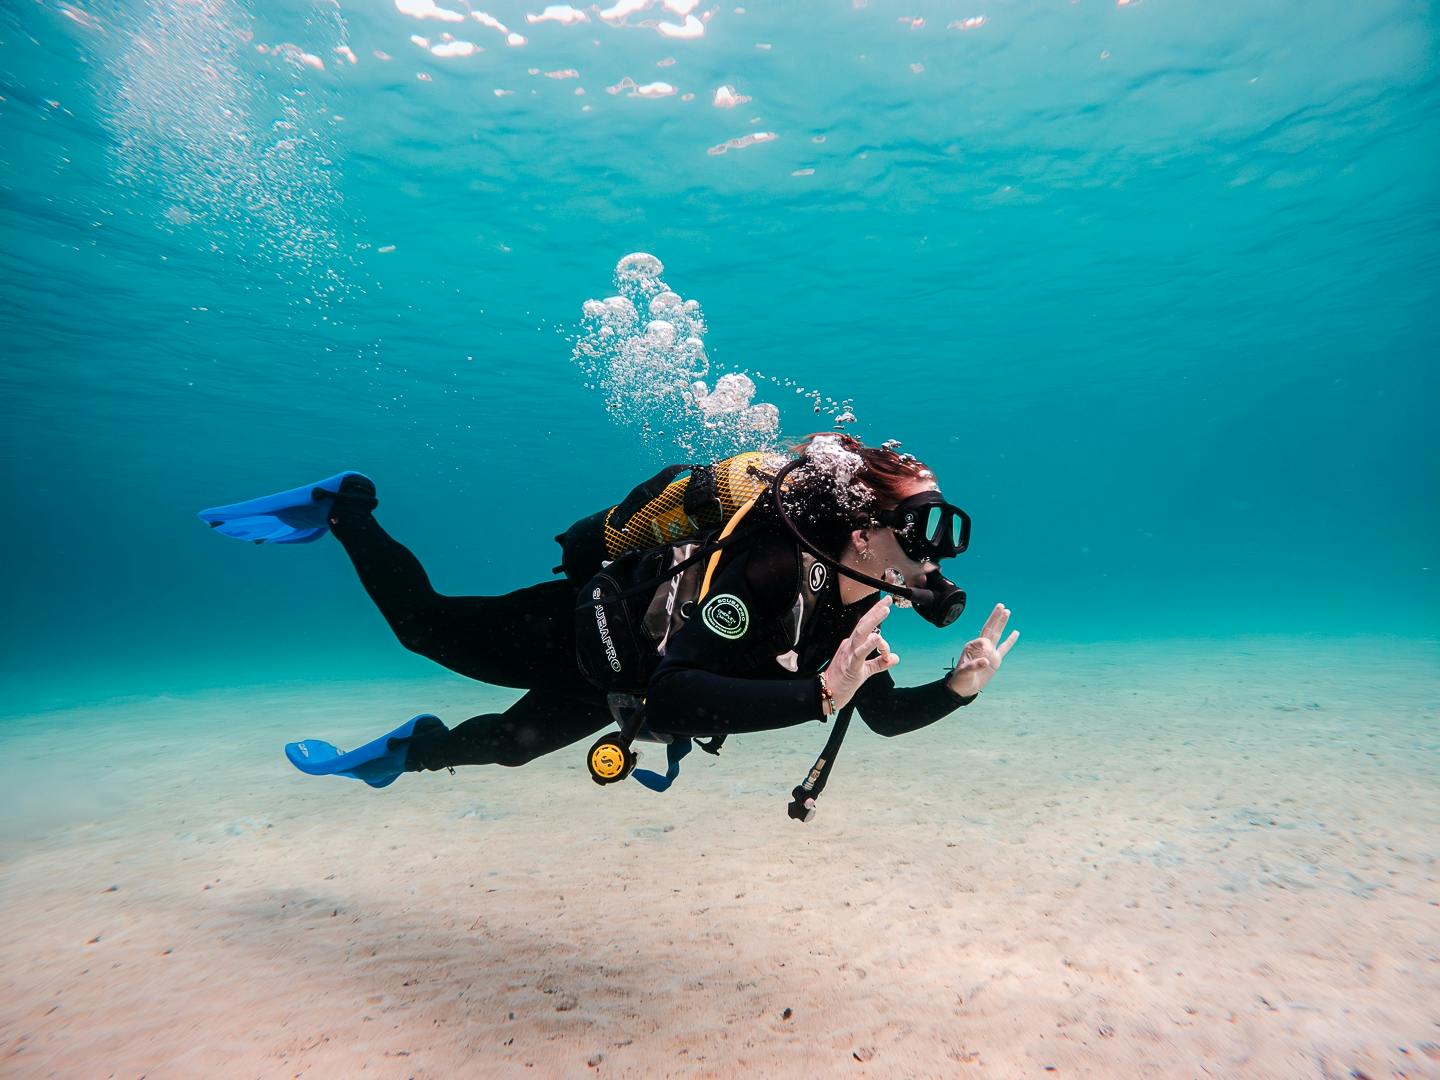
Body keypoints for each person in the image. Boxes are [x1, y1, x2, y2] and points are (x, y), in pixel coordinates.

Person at [198, 433, 1019, 792]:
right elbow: (678, 698)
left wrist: (958, 690)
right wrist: (816, 697)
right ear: (862, 528)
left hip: (617, 679)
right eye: (920, 527)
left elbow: (877, 718)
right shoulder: (765, 570)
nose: (934, 554)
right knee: (422, 626)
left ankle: (410, 750)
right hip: (579, 628)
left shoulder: (856, 606)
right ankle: (346, 508)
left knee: (516, 748)